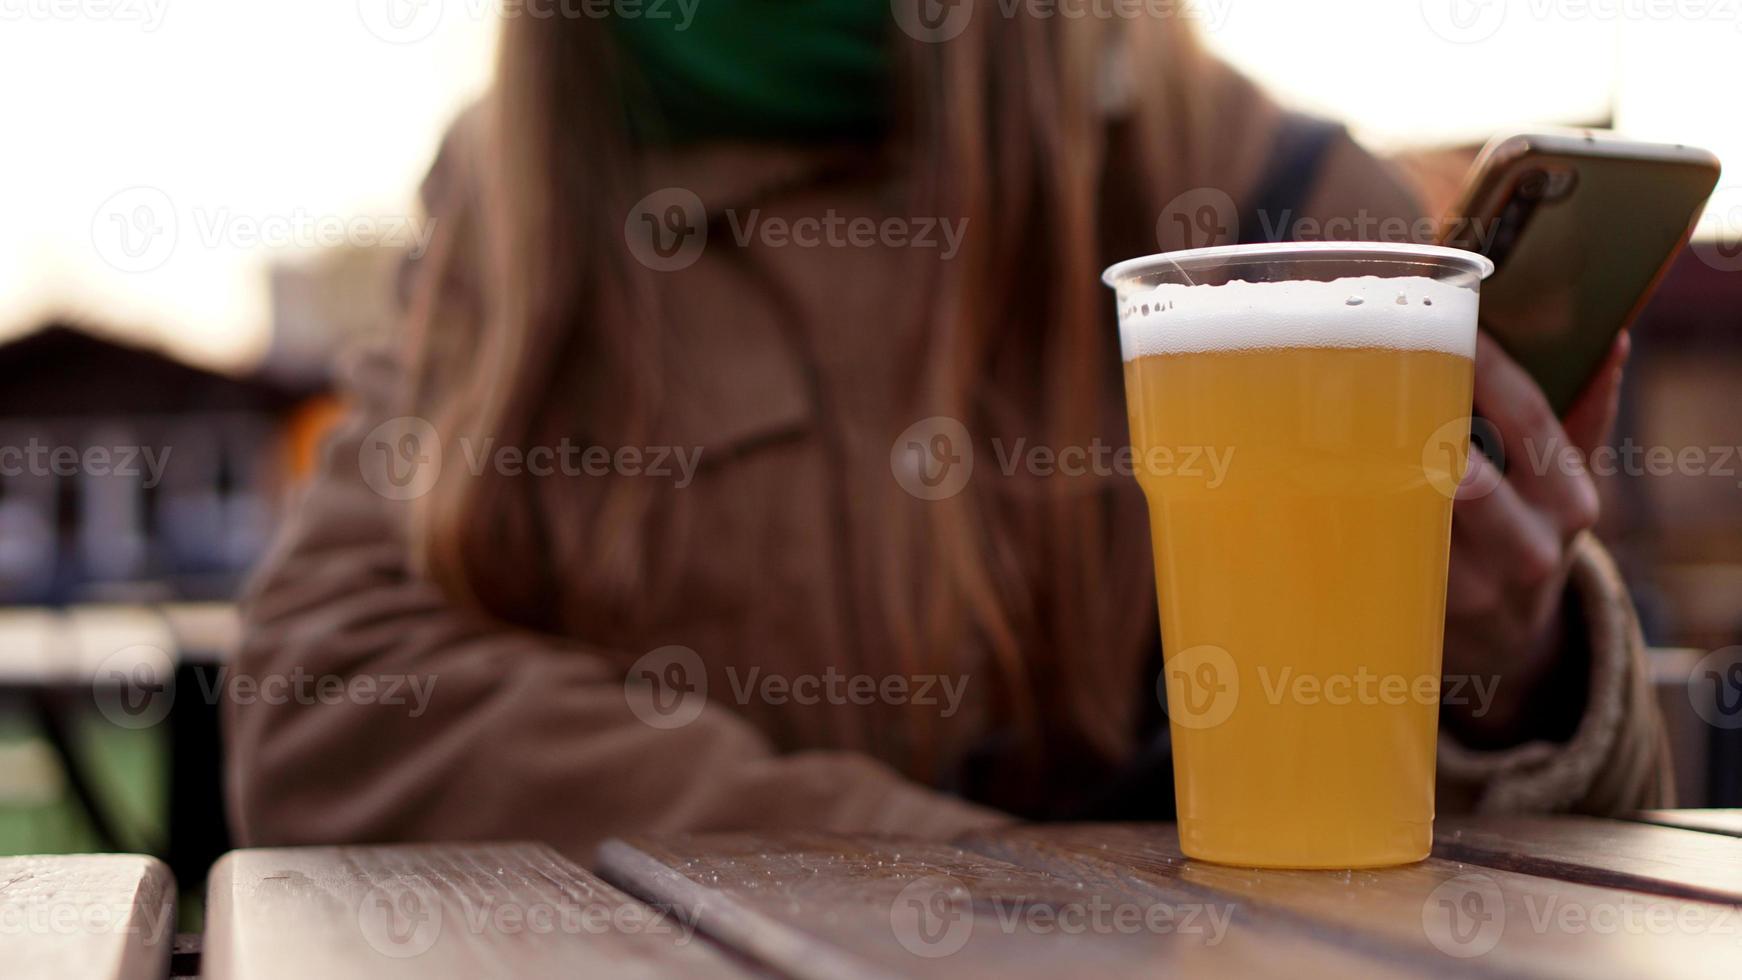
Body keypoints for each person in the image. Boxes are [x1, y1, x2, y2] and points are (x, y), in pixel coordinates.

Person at [225, 9, 1670, 863]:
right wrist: (971, 888)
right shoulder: (521, 195)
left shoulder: (1260, 192)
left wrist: (1520, 669)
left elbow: (1587, 855)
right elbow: (331, 691)